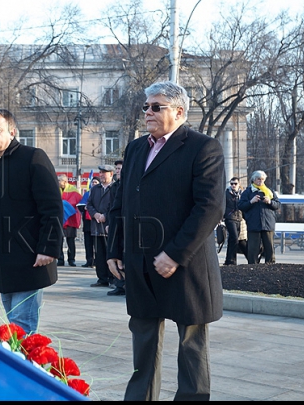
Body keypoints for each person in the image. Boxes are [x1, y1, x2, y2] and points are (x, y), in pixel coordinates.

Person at [107, 81, 225, 401]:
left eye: (155, 107)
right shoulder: (135, 149)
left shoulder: (203, 147)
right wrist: (114, 250)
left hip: (185, 266)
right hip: (141, 265)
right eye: (146, 106)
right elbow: (121, 204)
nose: (147, 112)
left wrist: (174, 254)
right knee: (143, 344)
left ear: (179, 111)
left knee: (191, 348)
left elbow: (210, 207)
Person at [0, 108, 63, 335]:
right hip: (1, 260)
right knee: (12, 324)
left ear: (12, 132)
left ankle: (20, 368)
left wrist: (48, 248)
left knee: (21, 329)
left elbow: (52, 208)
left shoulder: (32, 158)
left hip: (31, 258)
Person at [238, 170, 280, 264]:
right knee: (253, 248)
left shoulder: (269, 191)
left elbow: (277, 205)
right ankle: (252, 265)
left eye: (262, 179)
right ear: (254, 180)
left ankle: (270, 264)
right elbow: (240, 206)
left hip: (268, 223)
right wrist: (251, 202)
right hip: (253, 224)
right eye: (258, 179)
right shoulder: (248, 192)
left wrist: (269, 202)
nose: (260, 181)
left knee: (269, 246)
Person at [87, 164, 116, 289]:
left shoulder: (115, 188)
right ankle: (102, 278)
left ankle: (112, 278)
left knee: (110, 253)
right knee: (99, 254)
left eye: (104, 172)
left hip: (109, 226)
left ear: (111, 174)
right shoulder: (95, 189)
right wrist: (95, 214)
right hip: (96, 226)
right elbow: (89, 204)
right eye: (101, 172)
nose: (102, 175)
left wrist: (105, 216)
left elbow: (115, 206)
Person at [106, 160, 126, 296]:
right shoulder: (115, 187)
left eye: (120, 168)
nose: (118, 171)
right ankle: (119, 284)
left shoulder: (128, 184)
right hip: (116, 222)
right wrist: (110, 224)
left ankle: (125, 285)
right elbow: (112, 208)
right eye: (117, 169)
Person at [57, 174, 81, 267]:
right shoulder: (56, 190)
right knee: (59, 240)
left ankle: (71, 259)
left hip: (71, 220)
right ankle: (60, 259)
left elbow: (79, 205)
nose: (58, 182)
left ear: (65, 182)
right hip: (59, 220)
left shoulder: (74, 191)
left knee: (70, 241)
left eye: (59, 181)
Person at [76, 176, 99, 268]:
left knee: (97, 244)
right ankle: (89, 260)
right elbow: (80, 205)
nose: (94, 184)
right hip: (87, 223)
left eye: (96, 183)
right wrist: (85, 207)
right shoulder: (87, 194)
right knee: (88, 243)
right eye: (93, 182)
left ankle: (97, 261)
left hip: (96, 222)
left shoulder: (100, 193)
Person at [223, 177, 244, 265]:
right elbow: (222, 206)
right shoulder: (226, 193)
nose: (233, 185)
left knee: (233, 239)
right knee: (234, 238)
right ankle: (231, 260)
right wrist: (221, 217)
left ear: (239, 184)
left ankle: (230, 260)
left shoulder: (241, 194)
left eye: (235, 183)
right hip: (230, 218)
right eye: (231, 184)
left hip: (239, 218)